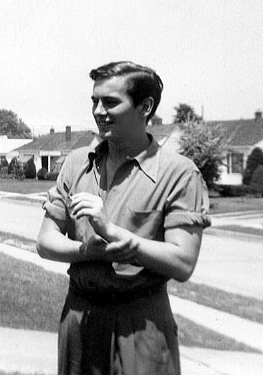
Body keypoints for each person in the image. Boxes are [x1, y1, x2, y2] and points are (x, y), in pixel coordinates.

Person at [36, 61, 211, 375]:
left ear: (145, 107)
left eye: (111, 102)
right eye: (95, 101)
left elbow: (183, 263)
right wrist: (85, 251)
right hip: (80, 314)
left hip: (141, 319)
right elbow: (45, 241)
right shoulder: (76, 164)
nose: (99, 111)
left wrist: (117, 234)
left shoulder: (179, 173)